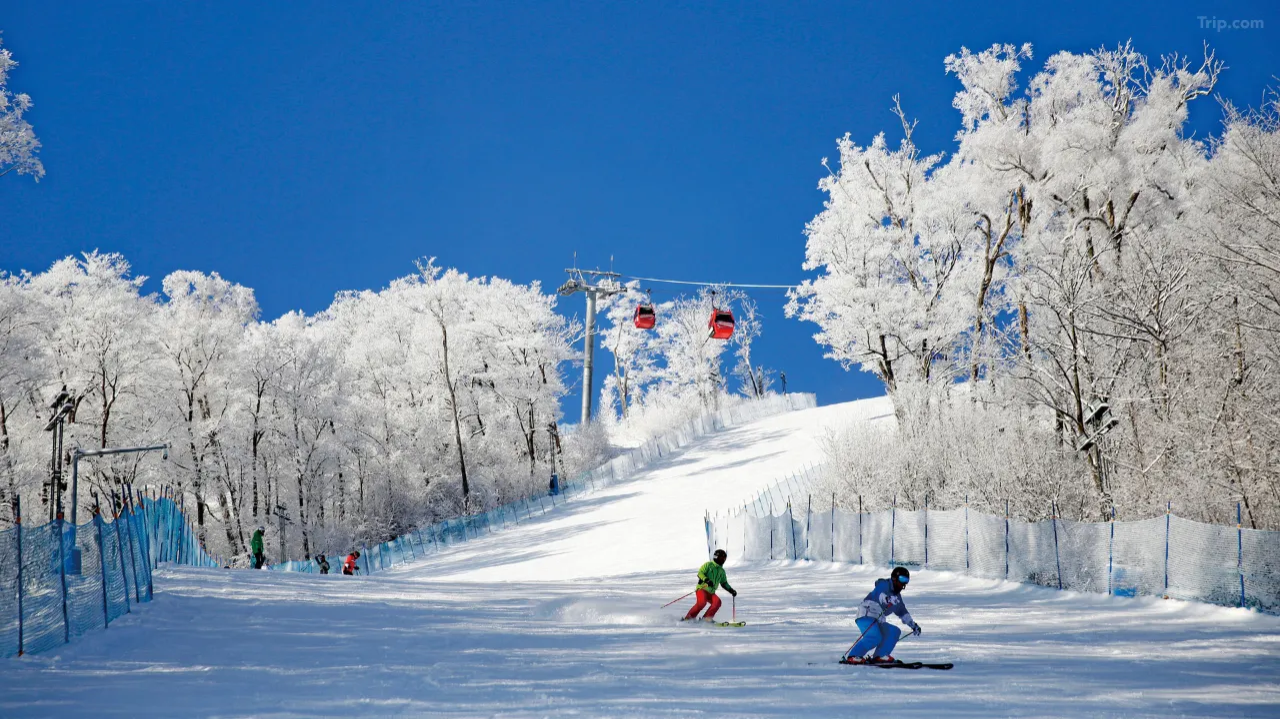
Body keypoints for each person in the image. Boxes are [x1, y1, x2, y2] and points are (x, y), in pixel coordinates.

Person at [842, 566, 921, 664]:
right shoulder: (884, 584)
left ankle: (880, 655)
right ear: (894, 578)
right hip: (866, 615)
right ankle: (854, 656)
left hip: (878, 618)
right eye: (902, 579)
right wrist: (888, 599)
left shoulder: (897, 598)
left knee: (894, 631)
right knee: (874, 637)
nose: (903, 583)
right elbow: (880, 594)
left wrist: (913, 625)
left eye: (906, 580)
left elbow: (903, 612)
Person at [683, 549, 737, 622]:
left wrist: (731, 590)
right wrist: (706, 579)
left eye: (724, 559)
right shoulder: (708, 565)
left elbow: (724, 583)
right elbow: (700, 573)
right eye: (721, 558)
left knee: (717, 602)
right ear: (716, 557)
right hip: (702, 589)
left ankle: (706, 619)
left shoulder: (721, 571)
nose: (723, 560)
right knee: (702, 602)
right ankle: (688, 618)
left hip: (711, 592)